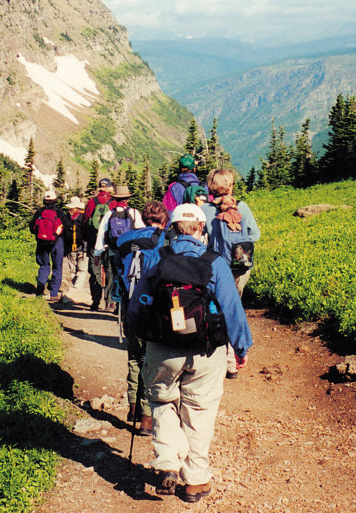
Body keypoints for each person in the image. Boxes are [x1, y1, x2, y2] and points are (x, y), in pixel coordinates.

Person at [127, 204, 252, 503]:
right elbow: (232, 308)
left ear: (172, 229)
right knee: (199, 411)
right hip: (205, 351)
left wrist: (139, 338)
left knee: (161, 400)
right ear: (200, 228)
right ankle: (195, 482)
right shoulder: (215, 262)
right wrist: (241, 347)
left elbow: (136, 306)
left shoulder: (158, 259)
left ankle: (168, 460)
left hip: (162, 347)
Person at [115, 200, 170, 435]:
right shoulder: (166, 241)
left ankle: (132, 406)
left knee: (134, 356)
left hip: (129, 305)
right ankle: (147, 417)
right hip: (153, 307)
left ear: (144, 218)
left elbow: (118, 271)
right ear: (164, 220)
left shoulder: (124, 240)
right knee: (151, 359)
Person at [200, 168, 261, 379]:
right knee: (235, 308)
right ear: (231, 186)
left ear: (210, 187)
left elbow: (202, 236)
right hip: (241, 268)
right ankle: (234, 359)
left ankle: (222, 357)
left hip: (217, 268)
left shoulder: (206, 210)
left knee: (218, 309)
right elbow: (256, 234)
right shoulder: (242, 206)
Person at [93, 184, 144, 313]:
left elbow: (102, 234)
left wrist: (97, 254)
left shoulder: (109, 214)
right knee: (128, 276)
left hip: (113, 250)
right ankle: (126, 304)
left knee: (113, 276)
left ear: (115, 199)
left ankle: (112, 303)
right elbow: (141, 232)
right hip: (130, 252)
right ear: (127, 199)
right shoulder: (134, 212)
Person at [84, 178, 115, 311]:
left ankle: (95, 301)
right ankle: (109, 302)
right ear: (110, 188)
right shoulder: (113, 202)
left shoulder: (92, 201)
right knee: (110, 271)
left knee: (95, 271)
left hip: (93, 242)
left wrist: (87, 239)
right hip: (108, 242)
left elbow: (86, 221)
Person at [29, 190, 65, 301]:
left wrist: (40, 235)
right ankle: (53, 294)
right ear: (55, 200)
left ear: (44, 200)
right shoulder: (59, 211)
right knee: (57, 267)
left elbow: (32, 227)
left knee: (43, 265)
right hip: (56, 241)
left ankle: (40, 290)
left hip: (41, 242)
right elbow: (66, 225)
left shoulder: (39, 211)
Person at [60, 195, 88, 303]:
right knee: (82, 270)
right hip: (82, 247)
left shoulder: (67, 218)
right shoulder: (83, 217)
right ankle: (77, 289)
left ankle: (75, 290)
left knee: (72, 270)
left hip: (70, 248)